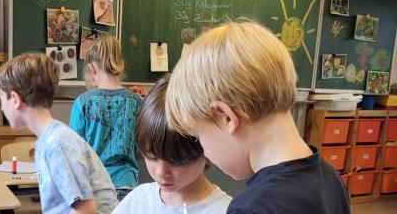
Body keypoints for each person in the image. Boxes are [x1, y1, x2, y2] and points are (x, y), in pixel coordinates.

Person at [165, 20, 350, 213]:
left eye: (198, 137)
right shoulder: (330, 178)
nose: (205, 152)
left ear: (226, 117)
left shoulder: (251, 208)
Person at [0, 53, 118, 214]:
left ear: (15, 99)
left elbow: (85, 210)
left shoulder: (58, 143)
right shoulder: (49, 140)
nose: (1, 107)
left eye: (1, 98)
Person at [113, 75, 232, 213]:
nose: (161, 172)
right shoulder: (137, 201)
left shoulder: (226, 210)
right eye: (152, 157)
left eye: (176, 161)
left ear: (207, 150)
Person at [70, 34, 142, 201]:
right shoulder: (136, 101)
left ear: (92, 69)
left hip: (94, 184)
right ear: (121, 65)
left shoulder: (82, 102)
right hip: (127, 183)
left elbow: (75, 151)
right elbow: (141, 149)